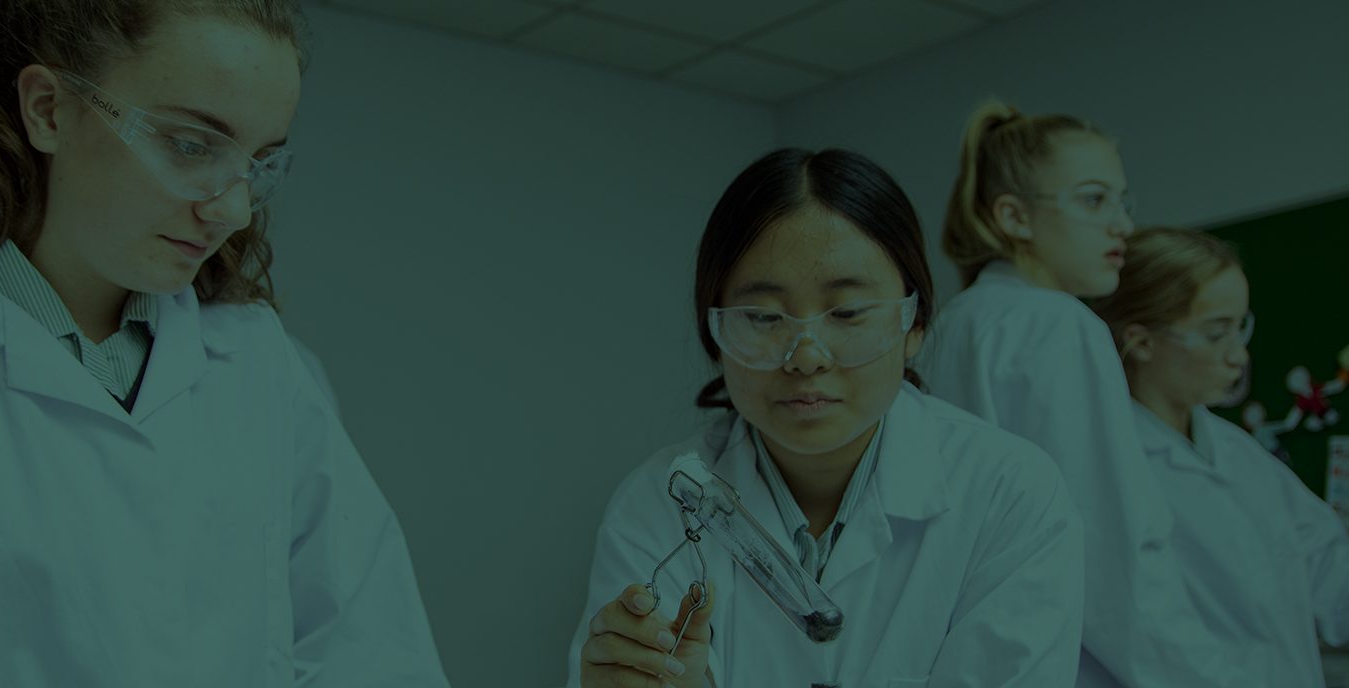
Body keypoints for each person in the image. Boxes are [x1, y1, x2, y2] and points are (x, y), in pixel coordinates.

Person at [0, 1, 447, 685]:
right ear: (48, 109)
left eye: (258, 163)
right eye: (192, 145)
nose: (234, 209)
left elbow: (371, 652)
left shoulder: (264, 367)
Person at [568, 148, 1084, 687]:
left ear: (916, 324)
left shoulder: (1012, 493)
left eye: (848, 313)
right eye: (764, 317)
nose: (806, 357)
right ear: (714, 334)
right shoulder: (657, 501)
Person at [919, 101, 1252, 686]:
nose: (1123, 224)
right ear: (1014, 217)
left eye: (1124, 201)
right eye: (1095, 200)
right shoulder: (1057, 324)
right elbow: (1111, 556)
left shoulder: (954, 324)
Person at [1091, 226, 1349, 686]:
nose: (1238, 355)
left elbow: (1330, 570)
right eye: (1216, 333)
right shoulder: (1112, 467)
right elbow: (1153, 639)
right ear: (1142, 341)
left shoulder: (1239, 453)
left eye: (1240, 327)